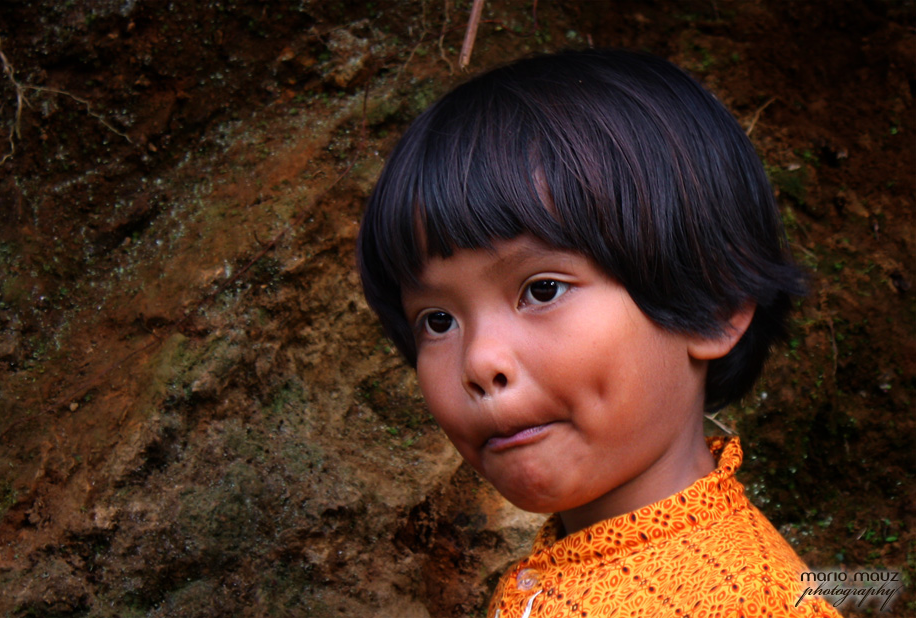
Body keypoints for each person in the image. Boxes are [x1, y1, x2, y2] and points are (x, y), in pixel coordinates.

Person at [356, 49, 841, 617]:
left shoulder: (746, 601)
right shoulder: (572, 562)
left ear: (711, 305)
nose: (480, 363)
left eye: (541, 290)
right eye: (438, 321)